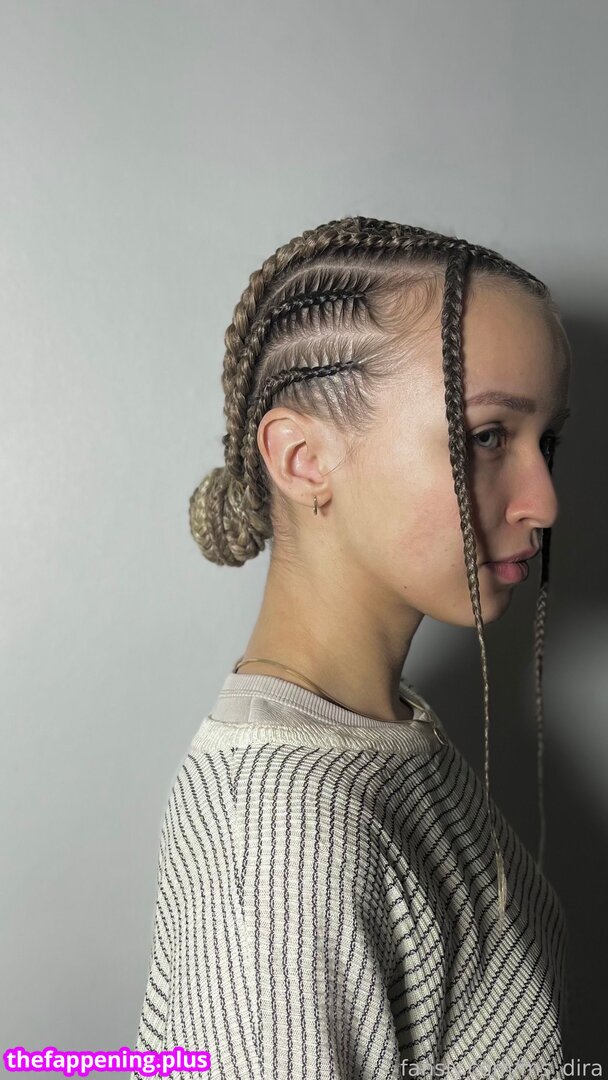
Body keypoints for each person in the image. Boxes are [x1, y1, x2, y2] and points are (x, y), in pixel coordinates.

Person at [131, 217, 571, 1079]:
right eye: (488, 437)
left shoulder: (384, 729)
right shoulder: (281, 840)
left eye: (545, 441)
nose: (546, 500)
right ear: (304, 459)